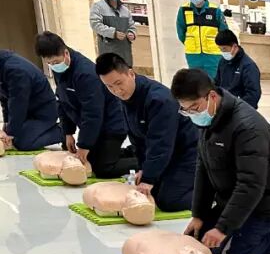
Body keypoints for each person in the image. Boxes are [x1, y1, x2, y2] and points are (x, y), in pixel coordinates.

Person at [170, 68, 270, 254]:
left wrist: (222, 228)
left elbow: (251, 184)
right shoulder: (209, 118)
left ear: (211, 96)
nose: (192, 114)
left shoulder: (247, 127)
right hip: (231, 201)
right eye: (186, 110)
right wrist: (199, 215)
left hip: (262, 206)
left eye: (194, 107)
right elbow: (203, 168)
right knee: (197, 242)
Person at [95, 53, 198, 212]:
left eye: (118, 83)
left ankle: (215, 196)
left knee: (168, 201)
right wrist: (144, 170)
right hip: (168, 155)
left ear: (130, 73)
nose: (117, 90)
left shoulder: (158, 100)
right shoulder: (126, 97)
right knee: (152, 192)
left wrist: (149, 178)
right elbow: (137, 140)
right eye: (109, 87)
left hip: (188, 153)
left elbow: (161, 143)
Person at [35, 32, 137, 178]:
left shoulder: (86, 74)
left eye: (56, 62)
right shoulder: (61, 70)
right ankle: (131, 151)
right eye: (49, 63)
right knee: (89, 157)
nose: (54, 66)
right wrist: (68, 132)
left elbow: (93, 114)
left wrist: (84, 145)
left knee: (102, 168)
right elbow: (62, 101)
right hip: (93, 126)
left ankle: (145, 161)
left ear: (65, 53)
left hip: (111, 125)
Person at [0, 50, 62, 151]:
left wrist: (10, 133)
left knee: (22, 143)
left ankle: (62, 131)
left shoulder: (16, 70)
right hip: (28, 112)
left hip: (43, 114)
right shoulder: (3, 66)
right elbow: (4, 98)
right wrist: (6, 124)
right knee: (12, 134)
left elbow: (18, 104)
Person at [176, 0, 228, 76]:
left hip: (213, 55)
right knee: (197, 83)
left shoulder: (215, 10)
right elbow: (181, 33)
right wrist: (190, 43)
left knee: (214, 83)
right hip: (193, 55)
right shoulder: (184, 10)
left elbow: (224, 32)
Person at [90, 0, 135, 64]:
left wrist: (132, 33)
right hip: (108, 52)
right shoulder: (98, 7)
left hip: (125, 54)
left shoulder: (125, 10)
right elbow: (95, 24)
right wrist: (113, 33)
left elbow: (131, 25)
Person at [214, 29, 261, 110]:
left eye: (224, 49)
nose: (222, 52)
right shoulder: (223, 61)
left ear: (234, 46)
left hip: (240, 109)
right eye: (220, 49)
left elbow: (253, 94)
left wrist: (236, 108)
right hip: (223, 106)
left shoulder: (248, 66)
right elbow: (217, 82)